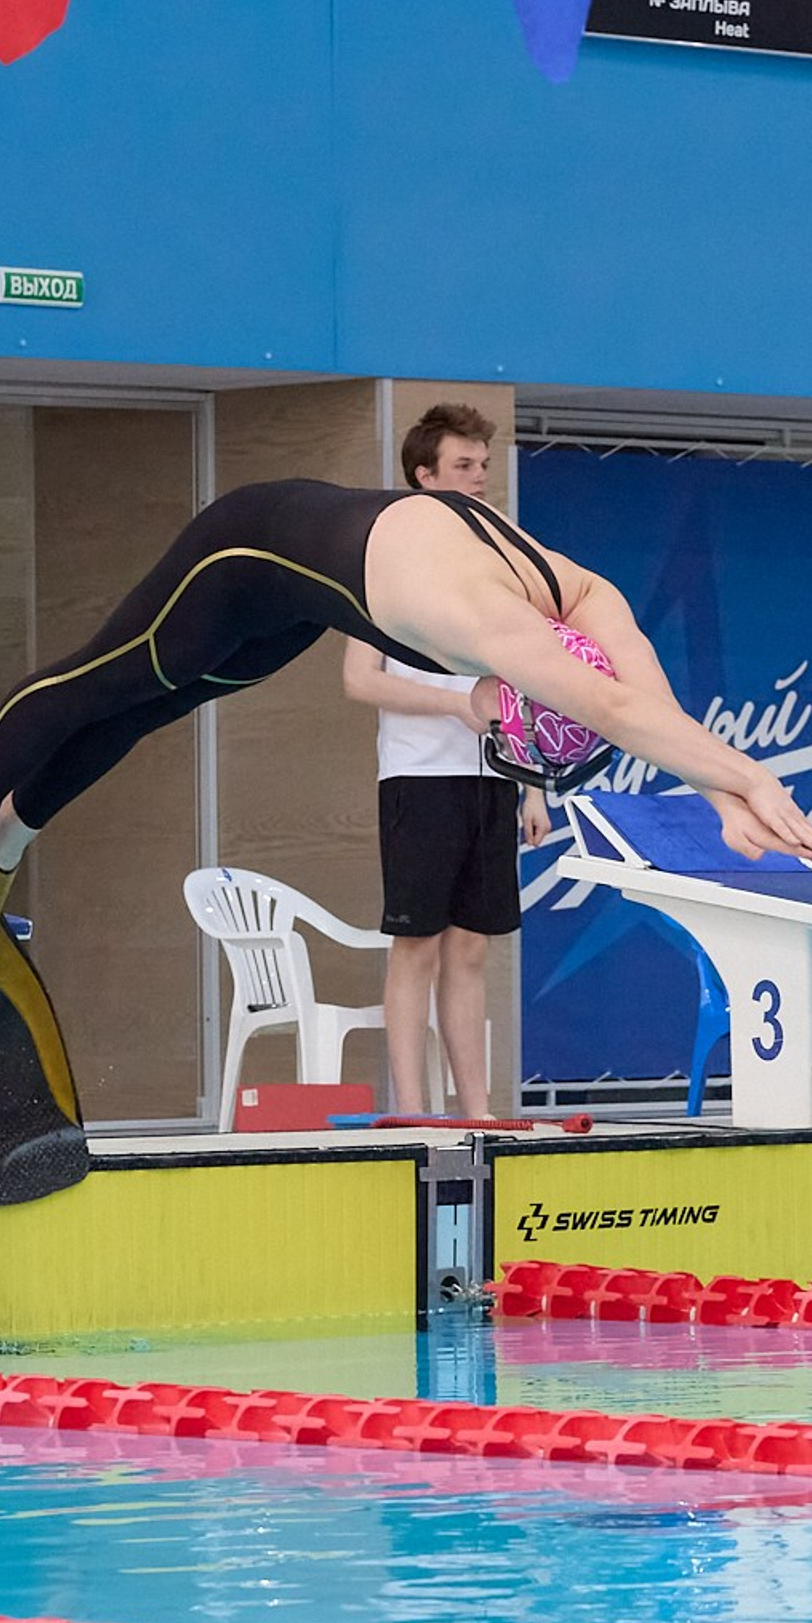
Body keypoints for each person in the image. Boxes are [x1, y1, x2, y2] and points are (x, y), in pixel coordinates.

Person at [0, 475, 812, 1214]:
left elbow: (634, 692)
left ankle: (8, 842)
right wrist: (748, 775)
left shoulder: (585, 601)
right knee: (108, 680)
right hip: (245, 546)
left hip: (302, 597)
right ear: (521, 699)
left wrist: (720, 796)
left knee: (146, 714)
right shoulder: (494, 626)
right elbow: (611, 701)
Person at [341, 403, 552, 1117]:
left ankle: (475, 1107)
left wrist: (531, 787)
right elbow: (358, 679)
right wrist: (454, 706)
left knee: (471, 951)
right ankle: (410, 1103)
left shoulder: (500, 569)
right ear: (423, 476)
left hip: (491, 778)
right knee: (417, 947)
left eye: (484, 467)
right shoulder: (385, 568)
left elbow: (518, 682)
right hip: (419, 779)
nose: (479, 480)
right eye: (463, 467)